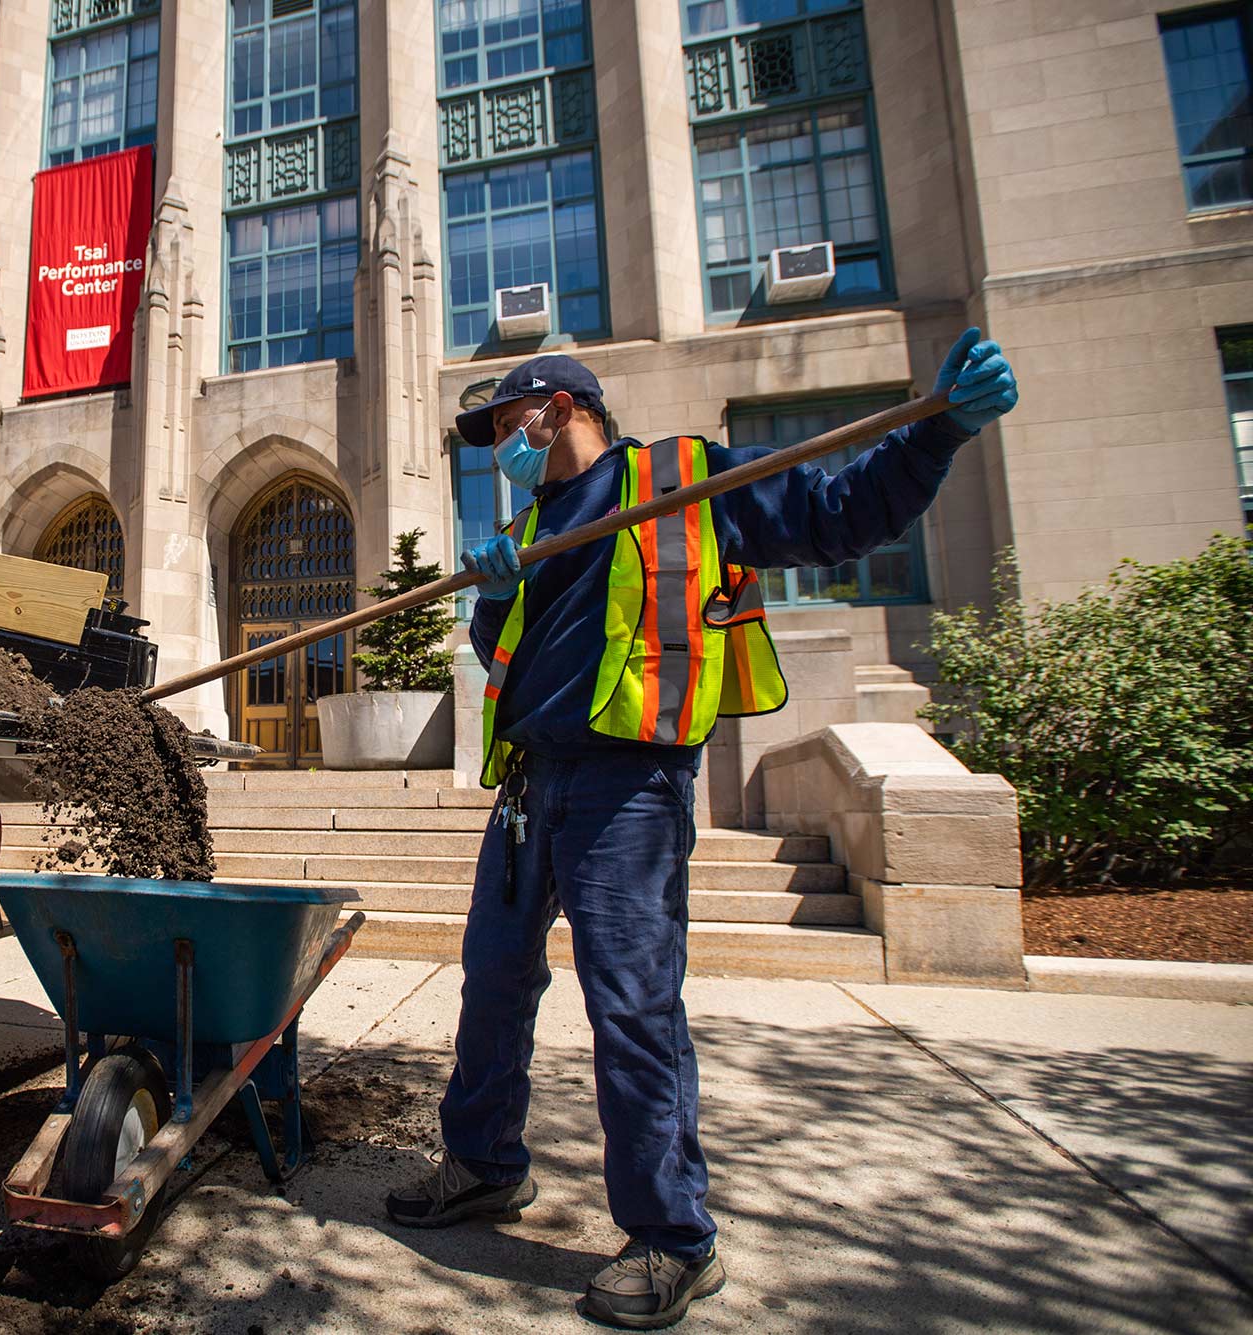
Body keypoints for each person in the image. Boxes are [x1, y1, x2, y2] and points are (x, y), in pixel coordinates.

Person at [382, 330, 1020, 1330]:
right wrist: (493, 598)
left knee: (631, 1005)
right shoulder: (532, 525)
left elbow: (833, 514)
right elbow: (507, 653)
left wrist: (937, 432)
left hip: (627, 786)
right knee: (492, 977)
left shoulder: (681, 478)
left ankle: (673, 1240)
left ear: (556, 406)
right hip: (527, 784)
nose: (498, 441)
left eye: (506, 419)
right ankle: (482, 1163)